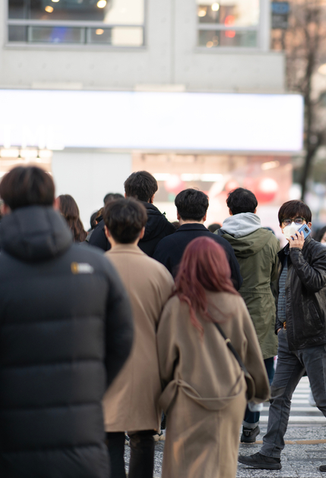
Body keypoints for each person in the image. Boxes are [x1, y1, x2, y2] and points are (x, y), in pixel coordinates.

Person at [0, 166, 134, 478]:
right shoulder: (96, 265)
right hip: (82, 440)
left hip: (10, 443)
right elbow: (123, 339)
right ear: (55, 205)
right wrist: (92, 387)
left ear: (4, 209)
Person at [239, 200, 326, 472]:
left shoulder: (319, 251)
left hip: (315, 335)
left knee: (325, 398)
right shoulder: (282, 254)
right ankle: (270, 453)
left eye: (298, 220)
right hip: (287, 337)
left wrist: (297, 253)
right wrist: (278, 326)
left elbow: (316, 282)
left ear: (308, 224)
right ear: (281, 225)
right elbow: (277, 292)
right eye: (287, 221)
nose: (292, 225)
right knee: (278, 396)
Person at [157, 237, 270, 477]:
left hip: (187, 395)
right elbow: (249, 352)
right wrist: (259, 389)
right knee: (222, 464)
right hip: (230, 396)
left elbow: (165, 360)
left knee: (182, 465)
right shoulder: (234, 303)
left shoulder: (177, 304)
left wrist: (164, 393)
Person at [100, 198, 174, 478]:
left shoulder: (94, 269)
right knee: (144, 440)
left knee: (109, 438)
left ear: (106, 230)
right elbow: (170, 329)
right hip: (149, 371)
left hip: (104, 369)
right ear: (142, 231)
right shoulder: (160, 273)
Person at [217, 187, 281, 443]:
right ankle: (250, 425)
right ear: (256, 210)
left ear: (229, 211)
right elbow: (276, 277)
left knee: (226, 365)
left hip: (226, 308)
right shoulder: (269, 240)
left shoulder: (218, 238)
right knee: (261, 367)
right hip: (261, 308)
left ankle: (227, 420)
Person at [152, 188, 242, 288]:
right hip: (214, 303)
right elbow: (236, 282)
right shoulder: (222, 244)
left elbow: (158, 284)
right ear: (205, 216)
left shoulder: (164, 245)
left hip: (177, 302)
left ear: (178, 214)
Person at [88, 171, 176, 256]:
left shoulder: (107, 225)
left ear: (125, 196)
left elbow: (93, 258)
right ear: (152, 197)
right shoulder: (167, 229)